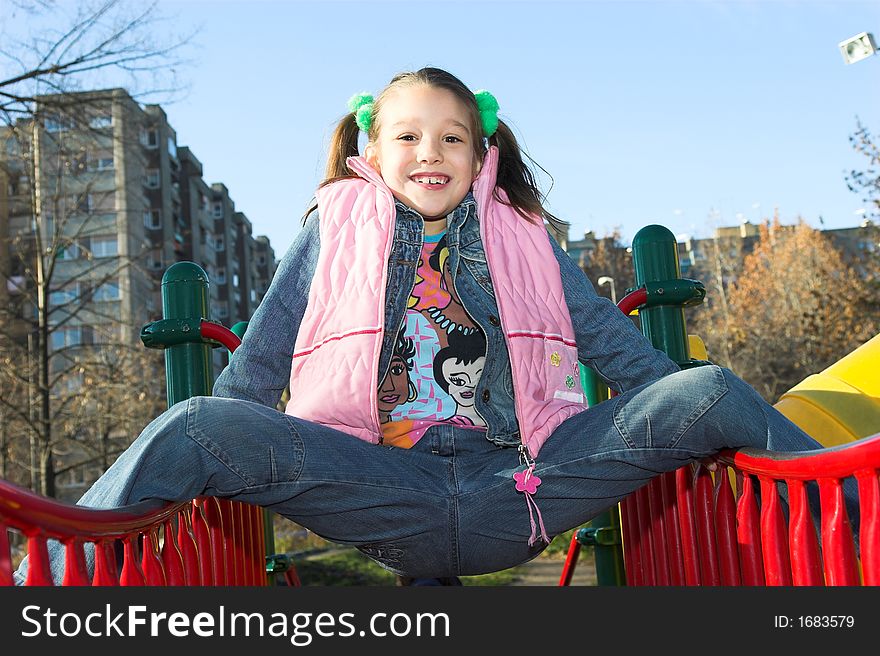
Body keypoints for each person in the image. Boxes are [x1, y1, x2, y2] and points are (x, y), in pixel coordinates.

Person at [16, 67, 858, 586]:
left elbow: (610, 342)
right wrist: (225, 455)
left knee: (706, 390)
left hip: (522, 484)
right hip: (386, 489)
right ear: (372, 150)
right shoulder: (331, 231)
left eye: (452, 136)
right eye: (409, 134)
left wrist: (671, 408)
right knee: (199, 422)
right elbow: (264, 354)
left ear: (481, 152)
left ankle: (859, 514)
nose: (432, 150)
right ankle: (42, 581)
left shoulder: (525, 236)